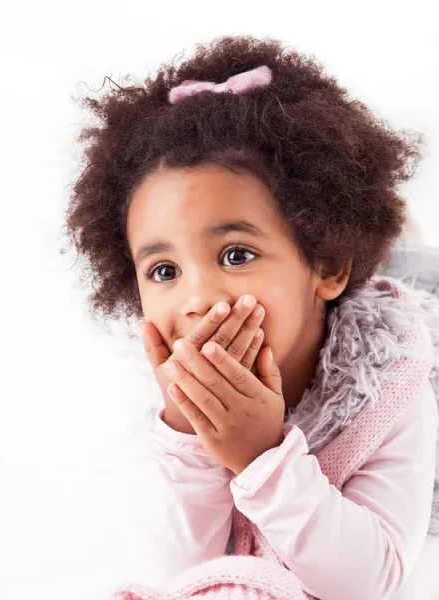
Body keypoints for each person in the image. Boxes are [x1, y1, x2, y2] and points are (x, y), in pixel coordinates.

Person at [61, 36, 439, 600]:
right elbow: (186, 574)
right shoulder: (176, 388)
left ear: (328, 263)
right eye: (164, 271)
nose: (197, 299)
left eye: (235, 255)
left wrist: (262, 458)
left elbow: (369, 583)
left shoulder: (393, 382)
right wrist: (188, 436)